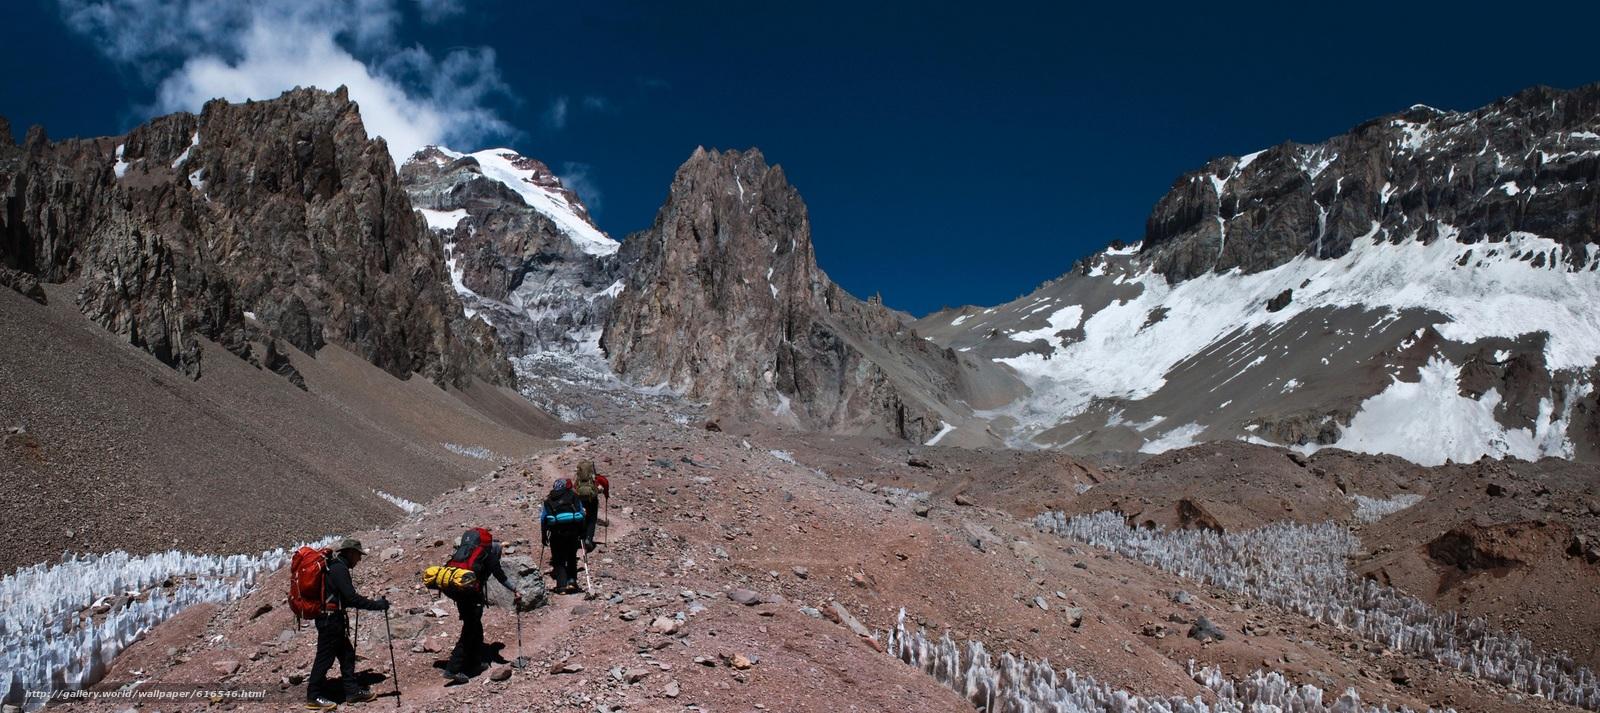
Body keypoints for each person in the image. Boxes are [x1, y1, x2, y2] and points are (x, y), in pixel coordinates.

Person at [306, 538, 389, 710]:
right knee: (324, 659)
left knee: (347, 655)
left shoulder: (336, 567)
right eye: (358, 555)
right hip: (331, 621)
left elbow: (345, 599)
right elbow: (351, 598)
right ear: (350, 552)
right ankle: (313, 696)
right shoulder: (339, 569)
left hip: (332, 619)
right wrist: (377, 605)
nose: (359, 559)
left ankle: (352, 692)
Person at [441, 528, 522, 685]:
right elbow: (500, 576)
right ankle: (453, 669)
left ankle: (474, 663)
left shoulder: (468, 552)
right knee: (470, 629)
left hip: (458, 591)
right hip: (470, 594)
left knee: (475, 626)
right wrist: (514, 589)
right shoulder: (489, 555)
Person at [540, 479, 587, 593]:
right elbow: (581, 513)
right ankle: (572, 582)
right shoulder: (573, 496)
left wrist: (544, 536)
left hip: (556, 534)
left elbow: (543, 519)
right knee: (571, 556)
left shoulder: (548, 500)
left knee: (558, 559)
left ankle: (561, 586)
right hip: (573, 532)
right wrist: (582, 533)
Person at [572, 460, 610, 552]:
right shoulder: (595, 478)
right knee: (592, 520)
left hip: (580, 501)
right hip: (592, 500)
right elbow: (603, 485)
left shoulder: (578, 478)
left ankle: (580, 538)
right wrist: (605, 494)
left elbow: (574, 488)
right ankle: (588, 539)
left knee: (581, 518)